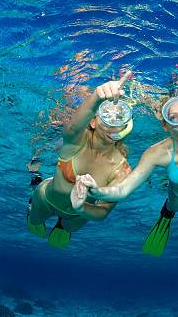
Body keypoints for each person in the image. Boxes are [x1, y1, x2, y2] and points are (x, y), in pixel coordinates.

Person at [72, 95, 178, 256]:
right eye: (173, 117)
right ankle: (166, 216)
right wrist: (96, 190)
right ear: (166, 126)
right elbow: (123, 189)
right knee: (174, 207)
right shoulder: (157, 153)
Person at [26, 72, 133, 248]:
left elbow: (103, 212)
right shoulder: (76, 141)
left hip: (78, 215)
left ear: (126, 125)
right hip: (46, 199)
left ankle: (62, 225)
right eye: (106, 114)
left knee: (69, 228)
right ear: (93, 122)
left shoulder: (122, 169)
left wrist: (81, 207)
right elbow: (74, 126)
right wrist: (98, 96)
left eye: (119, 117)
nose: (112, 121)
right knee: (34, 222)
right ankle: (32, 196)